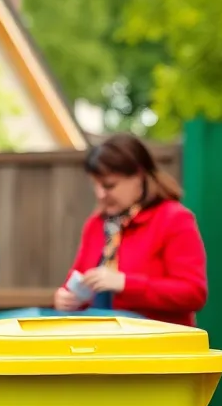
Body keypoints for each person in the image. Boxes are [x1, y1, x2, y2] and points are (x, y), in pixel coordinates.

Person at [53, 133, 206, 325]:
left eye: (109, 185)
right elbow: (75, 281)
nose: (100, 194)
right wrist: (66, 298)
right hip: (103, 345)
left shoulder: (174, 219)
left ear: (139, 177)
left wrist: (125, 284)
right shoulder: (96, 225)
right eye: (95, 185)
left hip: (157, 347)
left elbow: (193, 293)